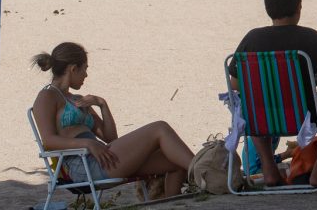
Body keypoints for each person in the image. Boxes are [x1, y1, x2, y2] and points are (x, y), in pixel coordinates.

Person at [232, 0, 317, 187]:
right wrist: (314, 78)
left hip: (263, 114)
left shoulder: (252, 38)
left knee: (251, 101)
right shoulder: (310, 38)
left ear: (267, 8)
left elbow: (234, 84)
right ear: (299, 6)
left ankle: (269, 171)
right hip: (305, 114)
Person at [30, 42, 194, 197]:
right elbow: (49, 141)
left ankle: (173, 203)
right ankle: (205, 172)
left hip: (102, 158)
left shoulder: (78, 99)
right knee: (160, 128)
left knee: (174, 160)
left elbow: (110, 138)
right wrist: (87, 143)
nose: (86, 75)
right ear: (73, 69)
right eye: (85, 69)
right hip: (83, 166)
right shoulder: (47, 96)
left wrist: (102, 105)